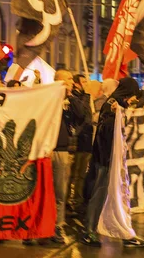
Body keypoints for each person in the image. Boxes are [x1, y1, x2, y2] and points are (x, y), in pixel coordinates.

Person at [82, 77, 144, 248]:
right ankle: (89, 231)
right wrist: (109, 159)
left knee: (105, 194)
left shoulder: (117, 106)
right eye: (133, 94)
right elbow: (106, 135)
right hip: (105, 160)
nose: (134, 98)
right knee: (99, 194)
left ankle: (98, 227)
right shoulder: (112, 108)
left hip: (109, 159)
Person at [47, 69, 88, 245]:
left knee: (60, 191)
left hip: (63, 149)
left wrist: (70, 96)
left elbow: (81, 114)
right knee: (44, 191)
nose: (72, 81)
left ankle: (58, 225)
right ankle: (39, 227)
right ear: (58, 81)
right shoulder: (48, 96)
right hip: (47, 149)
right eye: (69, 79)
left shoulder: (71, 100)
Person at [68, 74, 93, 214]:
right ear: (77, 84)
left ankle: (78, 200)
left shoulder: (83, 96)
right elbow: (81, 113)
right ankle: (71, 202)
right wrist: (87, 95)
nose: (86, 84)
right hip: (79, 139)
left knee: (81, 173)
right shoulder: (75, 97)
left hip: (86, 139)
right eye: (84, 81)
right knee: (75, 173)